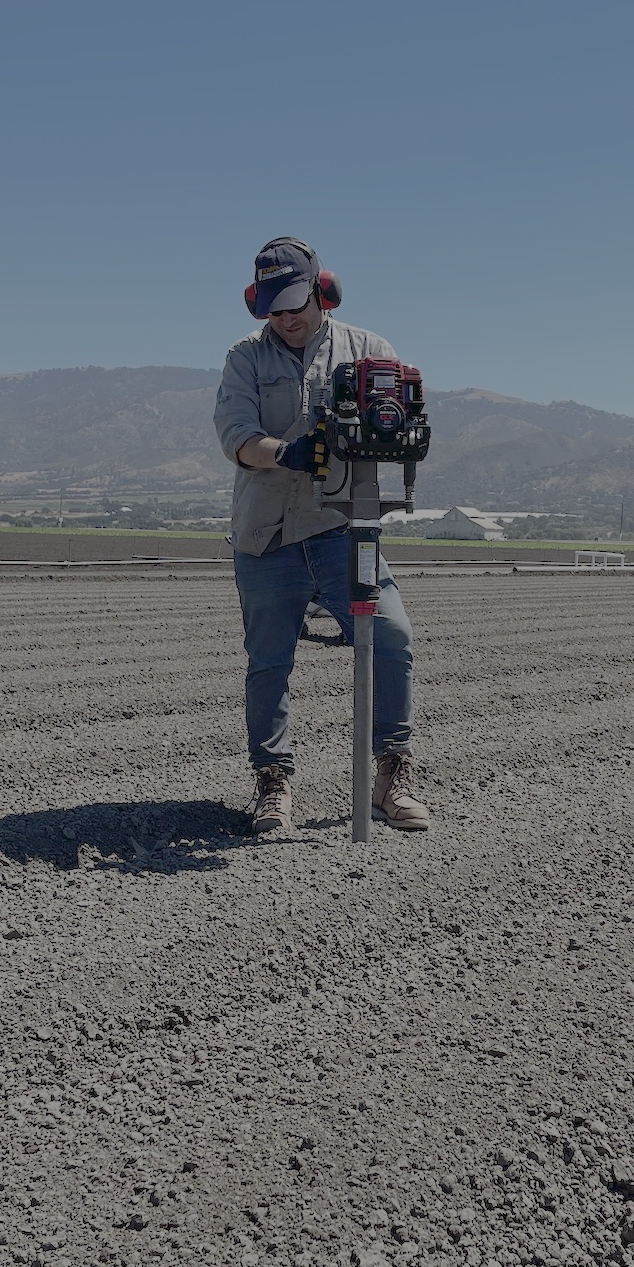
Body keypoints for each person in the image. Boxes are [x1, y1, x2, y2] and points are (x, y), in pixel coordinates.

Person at [213, 236, 430, 835]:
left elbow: (395, 421)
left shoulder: (368, 350)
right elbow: (235, 434)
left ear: (321, 291)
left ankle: (391, 777)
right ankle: (273, 782)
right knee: (268, 662)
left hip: (343, 531)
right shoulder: (245, 358)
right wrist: (286, 451)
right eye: (274, 310)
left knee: (392, 637)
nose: (286, 320)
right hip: (268, 532)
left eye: (295, 306)